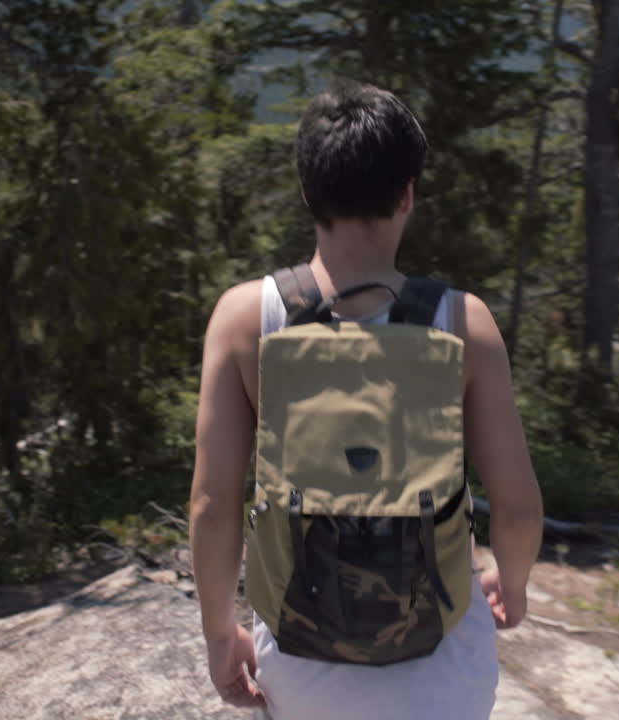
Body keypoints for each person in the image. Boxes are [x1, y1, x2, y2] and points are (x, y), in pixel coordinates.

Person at [189, 84, 544, 720]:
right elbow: (517, 509)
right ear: (408, 194)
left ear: (308, 191)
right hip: (442, 665)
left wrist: (221, 635)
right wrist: (510, 586)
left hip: (301, 662)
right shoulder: (464, 322)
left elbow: (212, 505)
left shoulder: (246, 317)